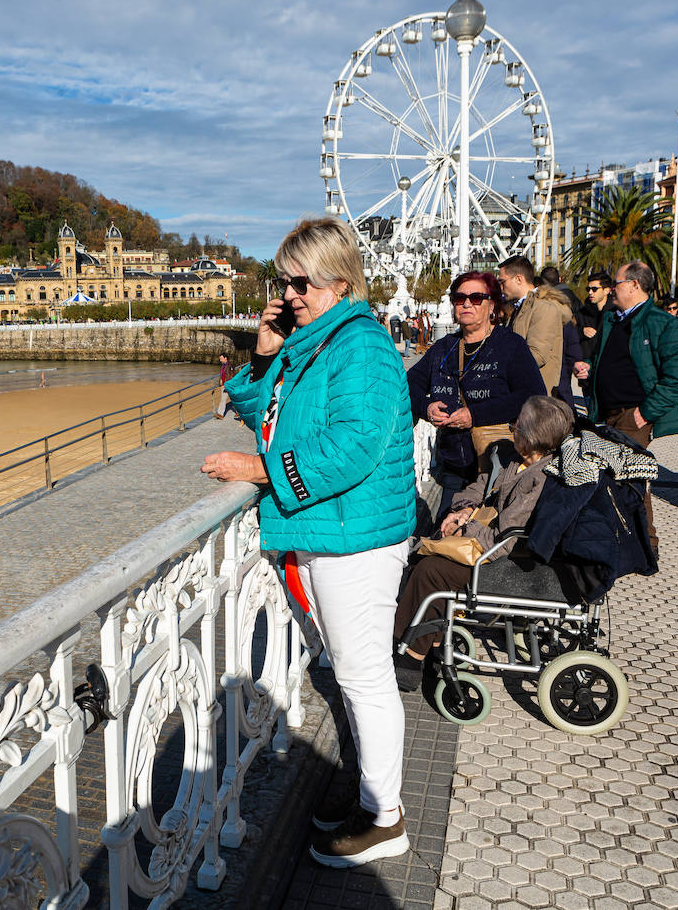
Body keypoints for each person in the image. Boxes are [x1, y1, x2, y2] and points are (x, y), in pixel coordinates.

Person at [202, 216, 416, 868]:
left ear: (339, 279)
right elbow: (262, 410)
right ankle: (370, 796)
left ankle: (386, 818)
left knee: (365, 676)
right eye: (284, 280)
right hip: (334, 529)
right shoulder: (316, 344)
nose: (290, 293)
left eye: (302, 281)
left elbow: (351, 448)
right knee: (351, 673)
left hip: (356, 536)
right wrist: (266, 353)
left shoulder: (362, 347)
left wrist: (259, 471)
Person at [391, 395, 574, 686]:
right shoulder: (518, 461)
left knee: (432, 572)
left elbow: (507, 536)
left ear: (531, 436)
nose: (512, 429)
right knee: (425, 560)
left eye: (517, 425)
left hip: (508, 561)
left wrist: (466, 527)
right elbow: (482, 487)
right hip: (490, 545)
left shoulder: (540, 478)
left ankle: (410, 656)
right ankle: (435, 646)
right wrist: (462, 508)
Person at [575, 260, 678, 555]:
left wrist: (645, 412)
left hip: (633, 415)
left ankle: (647, 546)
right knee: (606, 476)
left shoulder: (663, 323)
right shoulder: (612, 319)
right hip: (604, 412)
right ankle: (614, 539)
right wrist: (589, 369)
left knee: (630, 478)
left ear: (634, 285)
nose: (610, 289)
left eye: (615, 284)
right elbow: (609, 359)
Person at [406, 271, 547, 499]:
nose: (467, 304)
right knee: (448, 528)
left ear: (492, 306)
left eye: (476, 298)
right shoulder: (443, 348)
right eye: (460, 298)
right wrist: (427, 408)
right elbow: (410, 383)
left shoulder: (510, 345)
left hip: (500, 463)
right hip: (454, 464)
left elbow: (533, 395)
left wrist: (476, 414)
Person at [498, 255, 572, 395]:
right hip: (521, 392)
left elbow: (537, 355)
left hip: (536, 398)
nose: (501, 288)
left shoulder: (542, 308)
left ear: (518, 279)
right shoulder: (520, 308)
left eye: (503, 282)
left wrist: (499, 363)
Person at [215, 352, 233, 418]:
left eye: (221, 358)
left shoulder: (230, 365)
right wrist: (220, 381)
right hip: (224, 385)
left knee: (233, 399)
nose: (220, 360)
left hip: (228, 385)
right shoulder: (223, 365)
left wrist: (227, 383)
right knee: (223, 399)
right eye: (220, 359)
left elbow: (231, 375)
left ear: (225, 358)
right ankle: (220, 414)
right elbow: (222, 375)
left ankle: (239, 412)